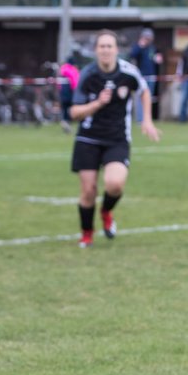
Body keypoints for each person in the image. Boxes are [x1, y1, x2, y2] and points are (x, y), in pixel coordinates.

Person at [69, 30, 161, 248]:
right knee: (89, 191)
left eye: (109, 46)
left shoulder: (128, 72)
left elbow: (144, 92)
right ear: (96, 51)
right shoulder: (88, 74)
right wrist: (97, 104)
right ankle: (87, 233)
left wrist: (146, 120)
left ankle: (106, 211)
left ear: (116, 50)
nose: (106, 50)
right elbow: (74, 113)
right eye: (102, 46)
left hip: (117, 138)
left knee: (115, 184)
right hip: (88, 138)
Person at [128, 28, 163, 122]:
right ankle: (140, 120)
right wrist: (140, 46)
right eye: (146, 37)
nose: (148, 39)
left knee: (149, 99)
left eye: (149, 37)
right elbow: (132, 55)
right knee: (140, 99)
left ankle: (147, 119)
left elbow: (157, 59)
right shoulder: (138, 46)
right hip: (141, 77)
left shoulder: (152, 48)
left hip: (152, 77)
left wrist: (158, 59)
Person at [58, 56, 79, 134]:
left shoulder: (62, 69)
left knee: (64, 109)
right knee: (70, 108)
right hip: (70, 93)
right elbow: (75, 82)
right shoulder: (72, 70)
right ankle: (67, 123)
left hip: (63, 93)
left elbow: (59, 84)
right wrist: (76, 90)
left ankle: (65, 122)